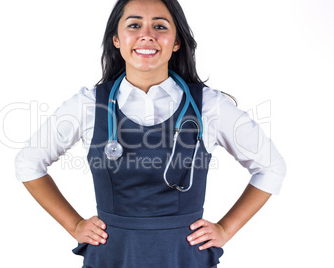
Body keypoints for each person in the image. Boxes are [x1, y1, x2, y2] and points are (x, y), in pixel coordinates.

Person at [15, 0, 286, 267]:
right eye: (134, 25)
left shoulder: (209, 106)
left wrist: (226, 229)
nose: (147, 35)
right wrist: (74, 224)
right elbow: (28, 163)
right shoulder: (88, 105)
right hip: (112, 257)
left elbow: (271, 167)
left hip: (184, 257)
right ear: (116, 40)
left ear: (176, 42)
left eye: (160, 26)